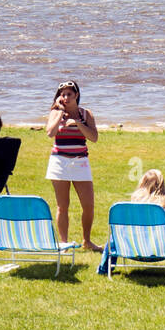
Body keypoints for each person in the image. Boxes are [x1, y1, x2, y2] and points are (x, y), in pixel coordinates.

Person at [45, 80, 101, 252]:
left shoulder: (86, 114)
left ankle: (87, 241)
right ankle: (63, 242)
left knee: (88, 205)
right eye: (63, 94)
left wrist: (77, 123)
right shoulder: (55, 113)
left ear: (76, 95)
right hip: (59, 162)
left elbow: (93, 137)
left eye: (70, 94)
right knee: (63, 206)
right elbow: (50, 133)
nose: (66, 97)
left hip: (80, 161)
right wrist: (60, 113)